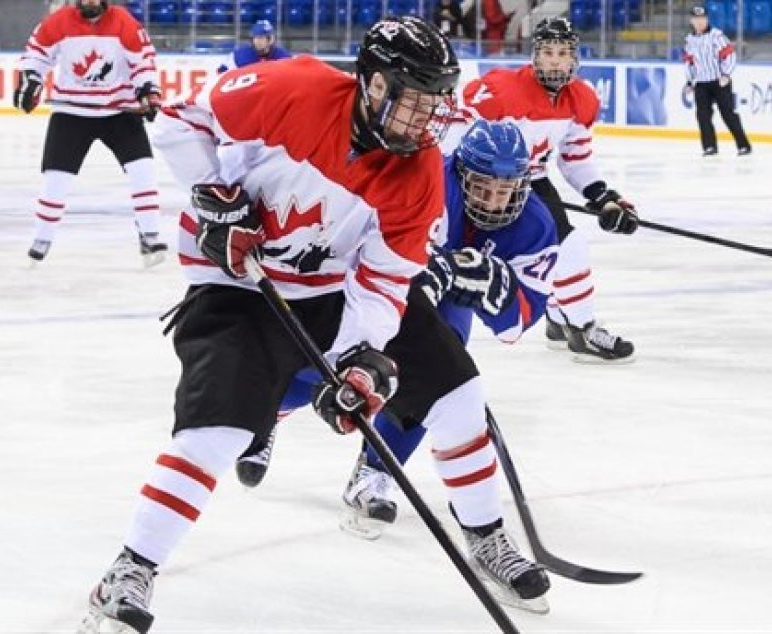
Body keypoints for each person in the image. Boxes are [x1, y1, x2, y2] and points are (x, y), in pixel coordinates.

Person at [77, 17, 467, 633]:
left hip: (321, 290)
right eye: (412, 100)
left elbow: (386, 280)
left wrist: (360, 359)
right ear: (372, 84)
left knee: (418, 375)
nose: (424, 119)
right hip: (234, 280)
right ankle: (131, 568)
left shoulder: (418, 174)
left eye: (433, 104)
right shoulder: (295, 88)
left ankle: (278, 412)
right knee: (215, 432)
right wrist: (213, 196)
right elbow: (183, 120)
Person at [235, 119, 556, 613]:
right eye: (482, 186)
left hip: (442, 307)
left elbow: (519, 323)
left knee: (444, 387)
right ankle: (267, 414)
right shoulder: (428, 178)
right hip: (375, 288)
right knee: (329, 367)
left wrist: (498, 287)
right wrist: (424, 273)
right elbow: (364, 241)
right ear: (460, 172)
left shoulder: (534, 222)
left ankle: (376, 470)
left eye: (505, 189)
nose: (493, 200)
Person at [445, 17, 638, 363]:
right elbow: (453, 137)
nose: (554, 60)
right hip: (480, 181)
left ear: (574, 58)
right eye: (547, 52)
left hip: (530, 179)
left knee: (563, 247)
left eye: (562, 53)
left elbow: (575, 159)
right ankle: (577, 326)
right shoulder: (502, 90)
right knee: (567, 245)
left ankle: (563, 318)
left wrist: (604, 197)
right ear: (535, 56)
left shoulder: (581, 99)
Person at [14, 0, 167, 266]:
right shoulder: (59, 21)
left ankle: (150, 235)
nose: (90, 2)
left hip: (119, 111)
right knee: (55, 180)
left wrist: (148, 91)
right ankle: (41, 239)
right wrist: (31, 80)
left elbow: (143, 61)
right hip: (72, 114)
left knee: (144, 170)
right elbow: (36, 55)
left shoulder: (124, 21)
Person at [682, 6, 752, 156]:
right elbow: (689, 63)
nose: (700, 22)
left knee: (728, 114)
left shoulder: (717, 36)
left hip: (719, 82)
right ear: (691, 21)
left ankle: (743, 145)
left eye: (702, 19)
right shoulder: (689, 40)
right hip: (701, 83)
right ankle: (709, 147)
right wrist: (689, 82)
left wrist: (726, 74)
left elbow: (730, 56)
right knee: (703, 116)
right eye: (696, 19)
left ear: (707, 19)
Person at [216, 19, 291, 74]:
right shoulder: (239, 55)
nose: (257, 41)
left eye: (261, 38)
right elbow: (221, 74)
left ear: (271, 39)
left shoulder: (284, 57)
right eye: (255, 37)